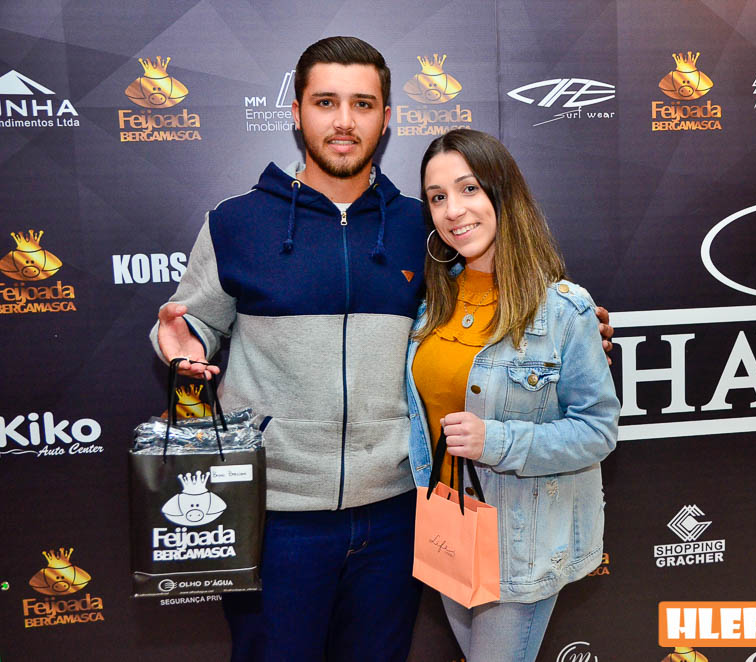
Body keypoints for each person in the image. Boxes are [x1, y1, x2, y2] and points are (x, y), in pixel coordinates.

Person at [151, 37, 614, 661]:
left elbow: (493, 306)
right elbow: (193, 327)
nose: (344, 121)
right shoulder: (235, 223)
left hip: (399, 513)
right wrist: (182, 346)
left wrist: (578, 326)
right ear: (296, 112)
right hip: (276, 515)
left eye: (362, 104)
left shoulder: (422, 225)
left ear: (386, 118)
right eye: (326, 102)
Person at [405, 129, 620, 662]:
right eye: (437, 197)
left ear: (503, 193)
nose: (453, 210)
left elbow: (597, 430)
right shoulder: (430, 305)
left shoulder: (563, 310)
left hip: (521, 543)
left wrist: (496, 440)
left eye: (469, 189)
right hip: (448, 528)